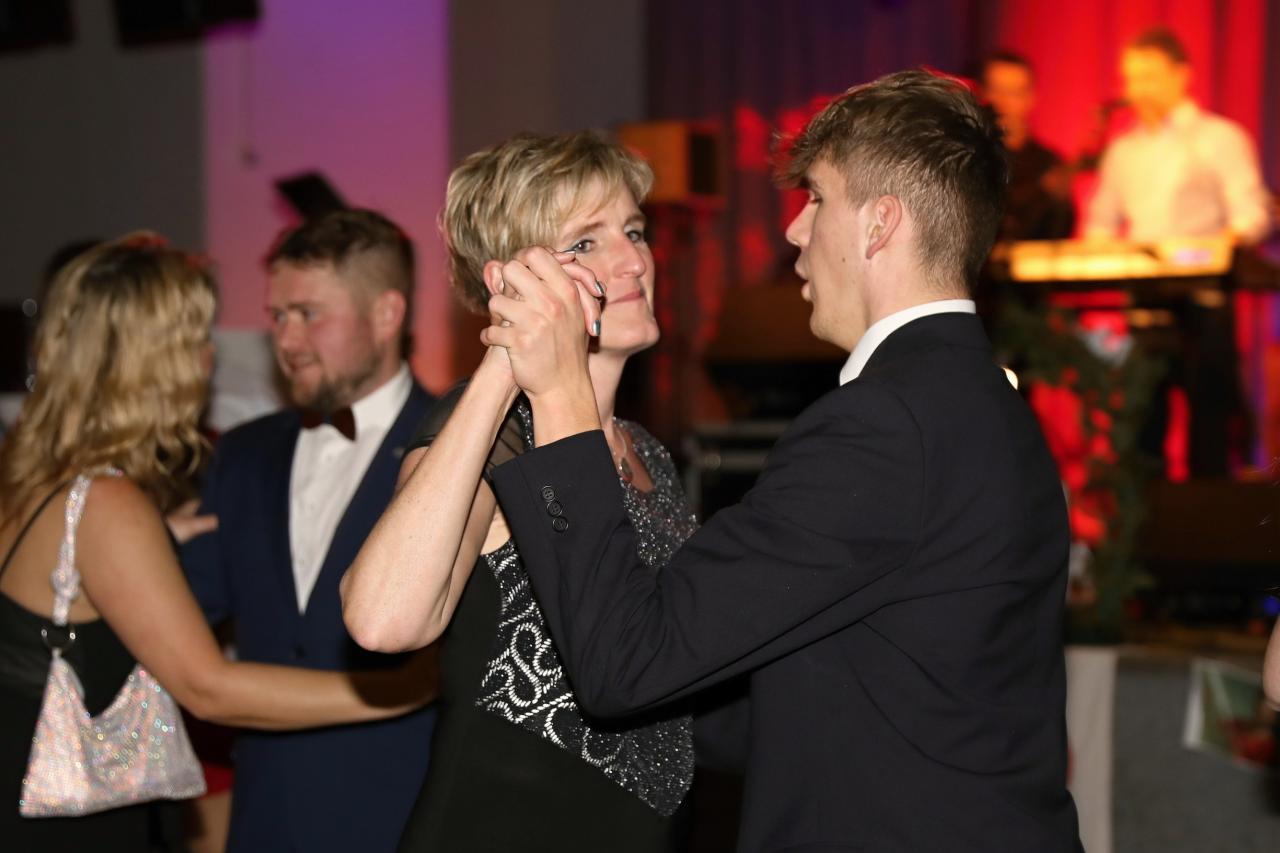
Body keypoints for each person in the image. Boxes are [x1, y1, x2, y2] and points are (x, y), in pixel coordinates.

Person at [481, 70, 1083, 851]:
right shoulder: (989, 403)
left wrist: (561, 395)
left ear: (879, 224)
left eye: (817, 199)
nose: (795, 232)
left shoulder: (882, 425)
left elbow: (627, 662)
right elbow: (823, 692)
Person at [0, 234, 435, 852]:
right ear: (156, 359)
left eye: (306, 314)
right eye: (195, 339)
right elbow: (208, 687)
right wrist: (406, 689)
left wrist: (155, 543)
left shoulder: (33, 479)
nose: (209, 358)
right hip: (72, 820)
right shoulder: (110, 503)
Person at [341, 132, 698, 852]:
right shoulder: (500, 435)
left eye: (633, 232)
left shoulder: (649, 453)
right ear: (511, 282)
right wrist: (505, 364)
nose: (634, 260)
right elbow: (382, 621)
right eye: (587, 243)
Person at [180, 210, 438, 852]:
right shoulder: (242, 453)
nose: (287, 339)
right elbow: (185, 612)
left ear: (386, 314)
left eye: (308, 314)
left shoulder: (457, 447)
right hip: (265, 820)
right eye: (277, 316)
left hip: (406, 822)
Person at [1085, 26, 1271, 244]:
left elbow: (1250, 215)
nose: (1138, 91)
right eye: (1131, 80)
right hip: (1139, 263)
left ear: (1182, 75)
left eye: (1148, 78)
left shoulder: (1221, 138)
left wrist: (1210, 251)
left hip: (1199, 262)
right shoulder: (1122, 150)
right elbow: (1101, 224)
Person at [980, 50, 1075, 240]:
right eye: (996, 90)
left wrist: (1059, 201)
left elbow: (1059, 233)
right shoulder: (967, 159)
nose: (1003, 102)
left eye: (1014, 93)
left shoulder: (1048, 163)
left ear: (1031, 98)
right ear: (982, 94)